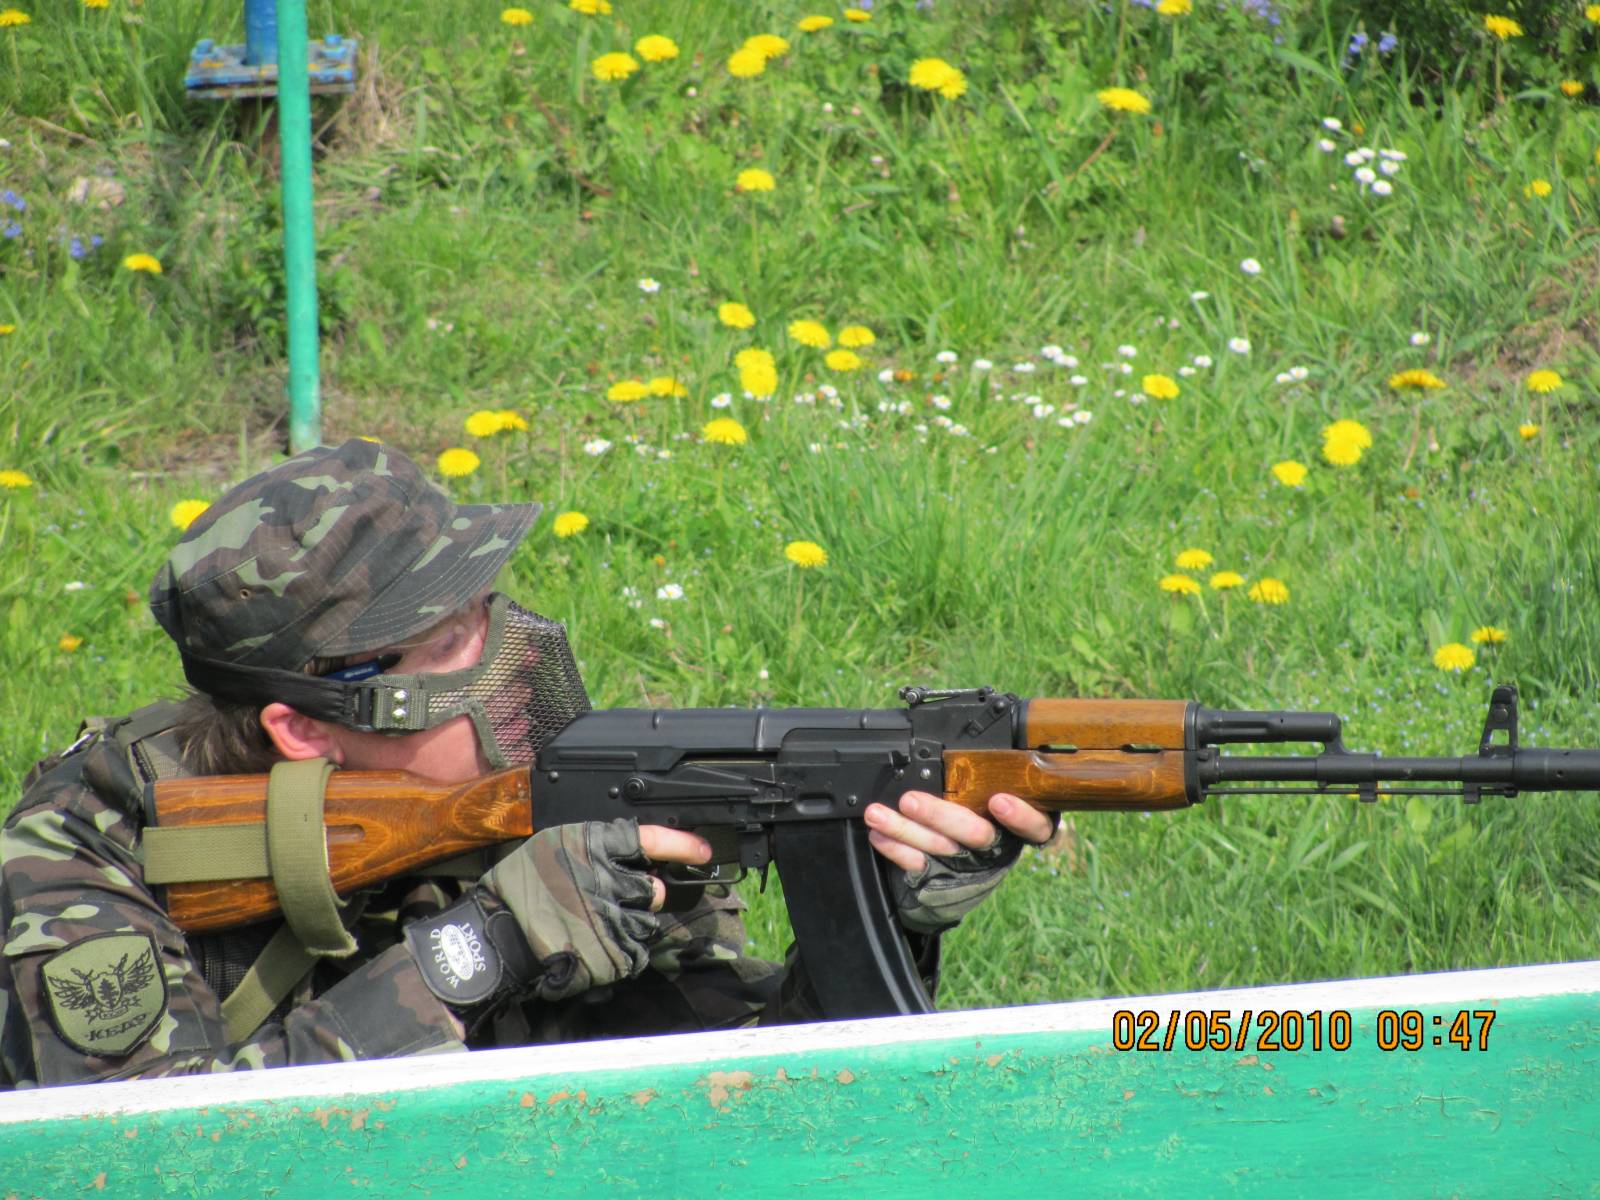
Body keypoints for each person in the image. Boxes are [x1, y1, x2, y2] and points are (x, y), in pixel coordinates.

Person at [0, 439, 1052, 1088]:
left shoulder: (569, 790)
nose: (511, 657)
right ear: (306, 727)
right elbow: (148, 1159)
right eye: (447, 643)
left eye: (487, 608)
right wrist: (481, 949)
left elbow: (732, 1091)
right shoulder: (90, 850)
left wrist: (891, 918)